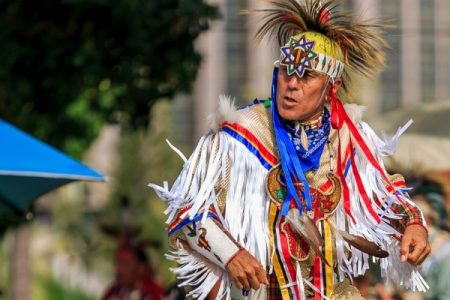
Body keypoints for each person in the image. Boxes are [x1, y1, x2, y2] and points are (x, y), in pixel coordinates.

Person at [149, 0, 430, 299]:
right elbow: (185, 211)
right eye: (286, 72)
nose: (291, 85)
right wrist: (231, 254)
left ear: (330, 88)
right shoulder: (240, 133)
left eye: (306, 76)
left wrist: (413, 224)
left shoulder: (349, 136)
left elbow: (383, 200)